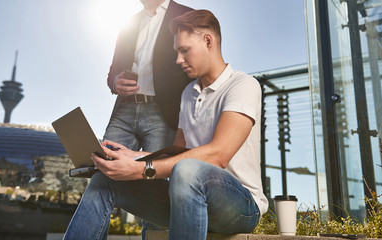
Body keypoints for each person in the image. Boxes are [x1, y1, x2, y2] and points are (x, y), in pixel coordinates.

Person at [64, 9, 268, 240]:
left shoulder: (243, 85)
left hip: (239, 208)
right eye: (177, 52)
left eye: (184, 50)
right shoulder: (188, 94)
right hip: (187, 196)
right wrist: (133, 156)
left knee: (187, 170)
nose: (178, 60)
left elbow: (218, 155)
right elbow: (177, 154)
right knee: (105, 181)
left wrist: (141, 169)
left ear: (208, 41)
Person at [104, 0, 193, 153]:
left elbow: (197, 65)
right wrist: (115, 82)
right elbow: (114, 69)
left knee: (153, 173)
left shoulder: (188, 16)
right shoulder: (128, 22)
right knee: (103, 168)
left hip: (164, 113)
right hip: (124, 110)